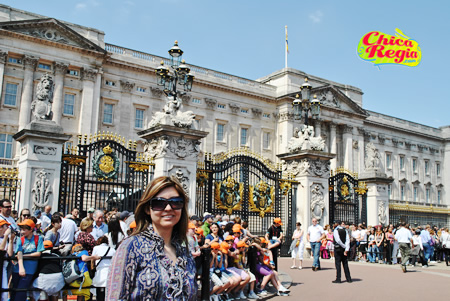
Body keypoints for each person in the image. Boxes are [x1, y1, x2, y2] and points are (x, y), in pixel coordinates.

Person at [106, 175, 197, 300]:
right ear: (147, 209)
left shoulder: (184, 250)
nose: (169, 208)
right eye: (159, 203)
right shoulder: (130, 247)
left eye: (176, 202)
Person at [11, 219, 44, 301]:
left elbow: (38, 253)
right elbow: (19, 253)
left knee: (21, 291)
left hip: (29, 269)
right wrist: (21, 267)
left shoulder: (38, 239)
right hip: (18, 269)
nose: (22, 231)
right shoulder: (20, 239)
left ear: (31, 229)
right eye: (21, 229)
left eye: (24, 229)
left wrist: (25, 255)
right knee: (14, 289)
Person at [92, 236, 116, 301]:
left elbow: (93, 259)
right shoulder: (112, 249)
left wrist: (92, 269)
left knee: (99, 294)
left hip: (100, 271)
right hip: (109, 271)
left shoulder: (96, 248)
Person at [0, 219, 15, 301]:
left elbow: (9, 254)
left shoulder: (6, 239)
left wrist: (11, 240)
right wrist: (6, 236)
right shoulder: (3, 238)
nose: (8, 228)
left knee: (4, 293)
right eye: (6, 226)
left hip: (4, 267)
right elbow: (1, 249)